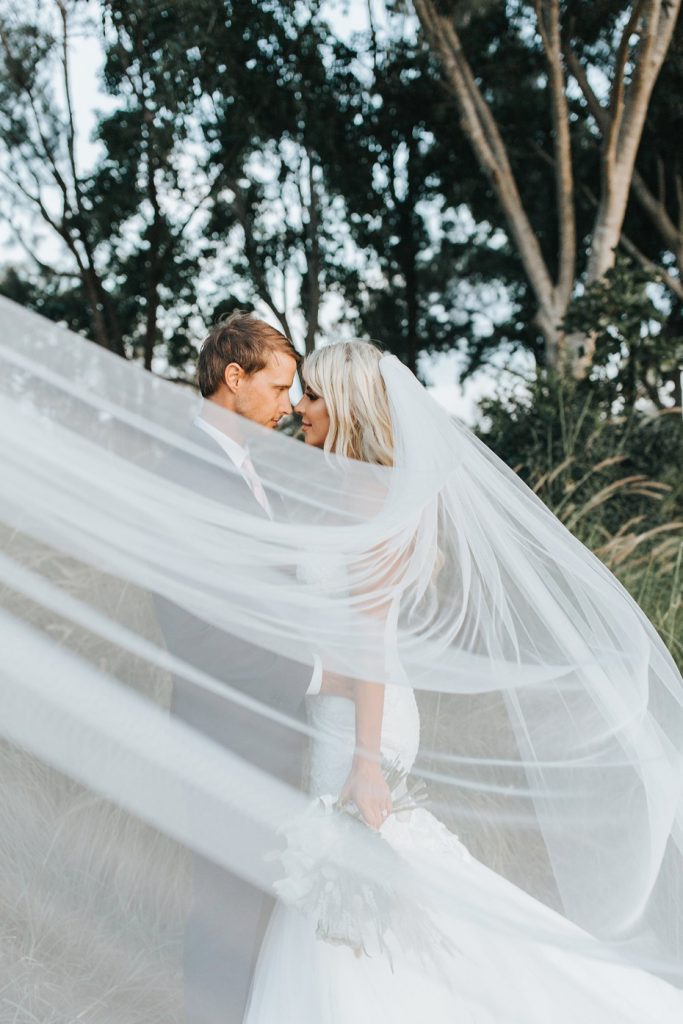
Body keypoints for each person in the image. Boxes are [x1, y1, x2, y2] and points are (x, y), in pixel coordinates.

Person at [242, 340, 683, 1024]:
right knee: (356, 873)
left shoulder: (367, 497)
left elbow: (365, 640)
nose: (300, 407)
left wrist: (365, 762)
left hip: (362, 715)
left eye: (314, 395)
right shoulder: (356, 489)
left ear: (350, 406)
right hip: (354, 705)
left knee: (351, 871)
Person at [155, 312, 354, 1024]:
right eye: (277, 385)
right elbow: (199, 635)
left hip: (266, 734)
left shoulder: (243, 467)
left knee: (262, 907)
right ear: (232, 378)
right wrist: (317, 677)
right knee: (228, 912)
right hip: (224, 734)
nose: (287, 402)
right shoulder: (187, 472)